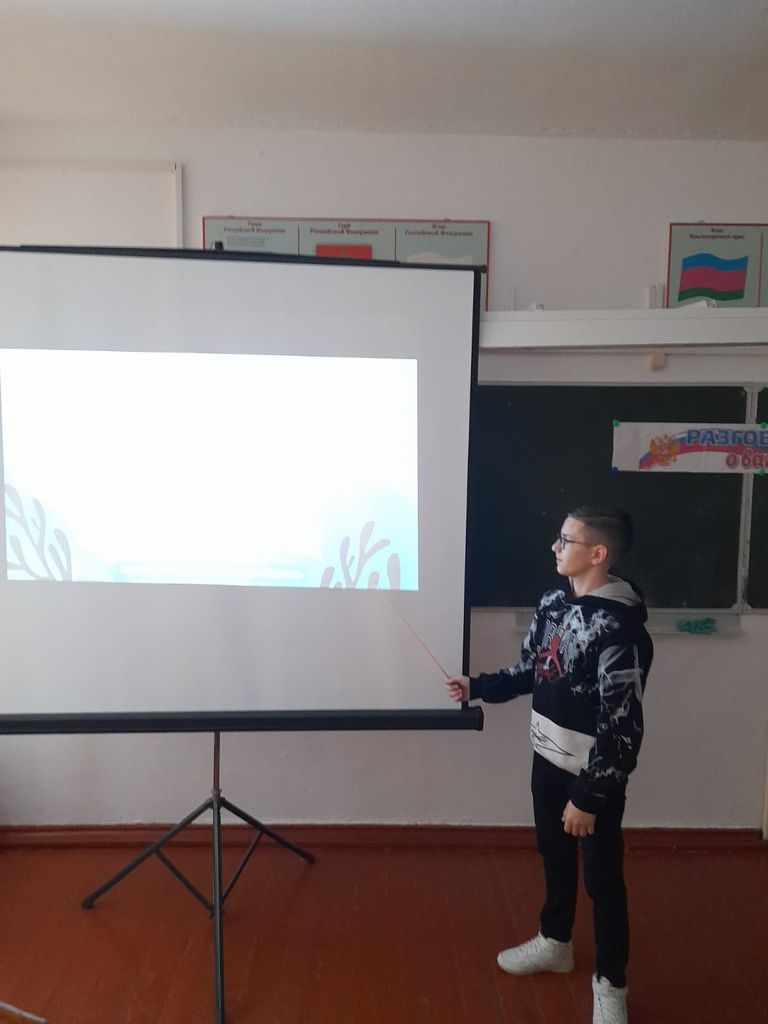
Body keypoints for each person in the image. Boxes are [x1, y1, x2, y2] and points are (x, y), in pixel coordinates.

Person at [446, 506, 653, 1024]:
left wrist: (589, 797)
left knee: (603, 881)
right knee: (554, 856)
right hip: (547, 761)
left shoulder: (620, 629)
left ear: (598, 553)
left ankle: (611, 984)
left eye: (566, 540)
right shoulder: (553, 602)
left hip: (591, 779)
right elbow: (531, 670)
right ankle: (555, 942)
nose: (554, 548)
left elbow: (622, 726)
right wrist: (478, 687)